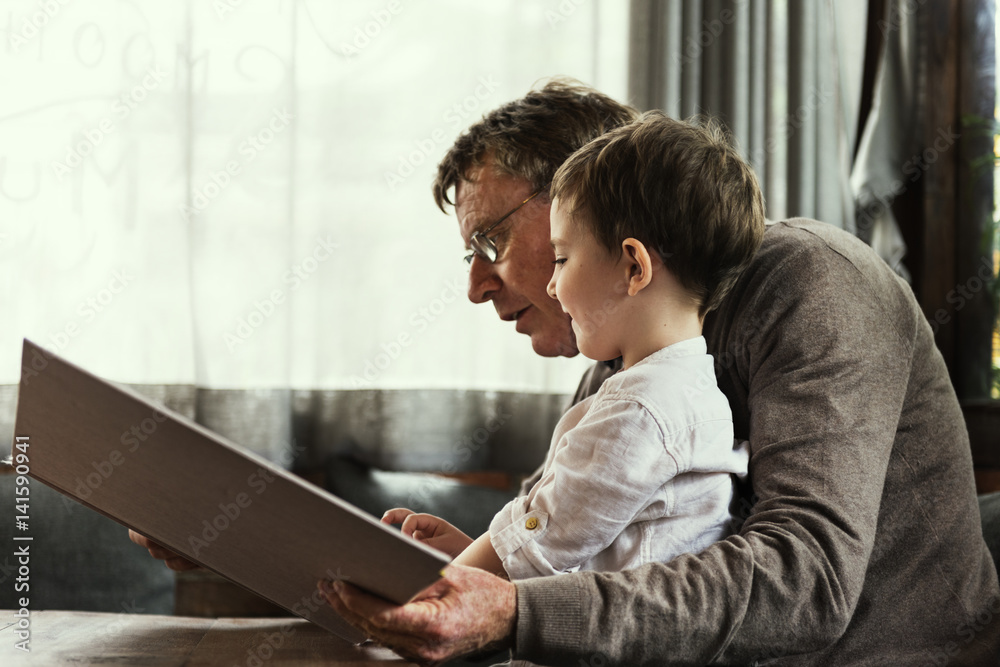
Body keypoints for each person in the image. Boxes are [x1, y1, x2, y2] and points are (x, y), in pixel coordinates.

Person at [134, 80, 1000, 665]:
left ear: (585, 202)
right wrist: (255, 540)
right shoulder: (632, 355)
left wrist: (510, 609)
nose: (477, 286)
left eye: (489, 241)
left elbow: (805, 579)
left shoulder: (814, 282)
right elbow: (581, 540)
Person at [380, 112, 762, 590]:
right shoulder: (692, 392)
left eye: (562, 258)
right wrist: (470, 553)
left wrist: (433, 587)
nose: (554, 285)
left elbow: (545, 538)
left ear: (633, 267)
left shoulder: (640, 410)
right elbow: (585, 544)